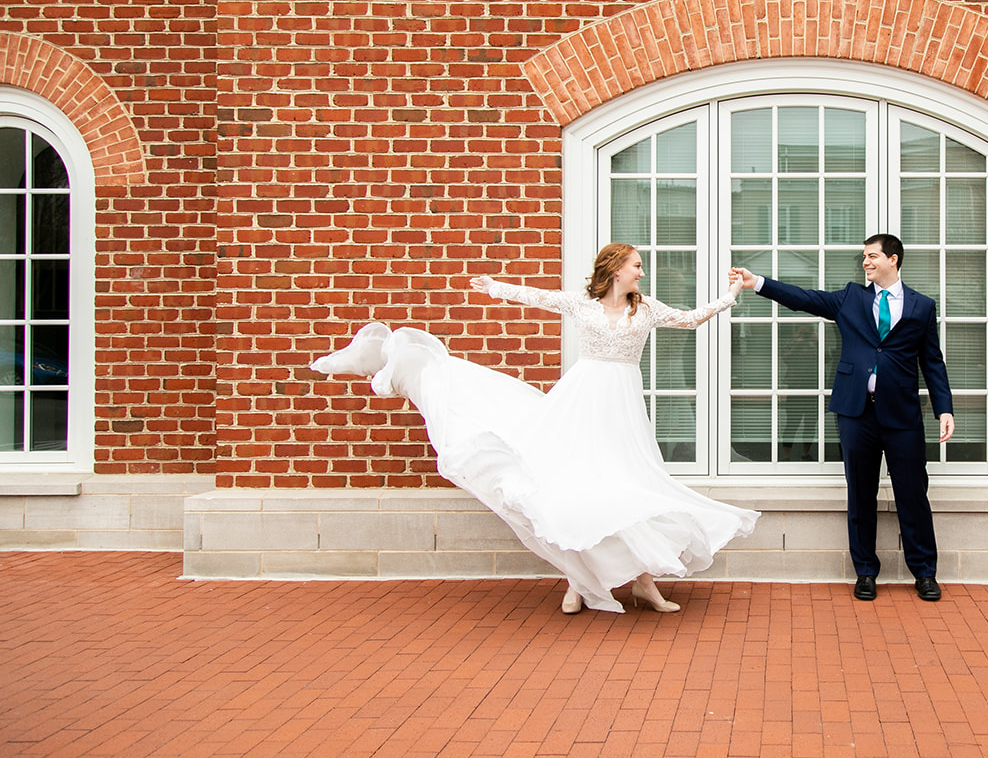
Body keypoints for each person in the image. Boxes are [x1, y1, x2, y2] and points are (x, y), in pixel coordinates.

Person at [312, 243, 758, 616]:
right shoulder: (581, 305)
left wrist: (731, 293)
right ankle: (578, 580)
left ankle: (643, 582)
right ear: (615, 269)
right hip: (581, 398)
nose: (642, 271)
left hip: (621, 402)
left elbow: (690, 319)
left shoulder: (646, 309)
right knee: (567, 484)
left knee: (625, 484)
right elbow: (538, 297)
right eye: (636, 265)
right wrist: (495, 288)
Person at [732, 233, 954, 602]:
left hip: (902, 416)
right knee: (861, 494)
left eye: (872, 256)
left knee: (913, 495)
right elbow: (806, 299)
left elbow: (932, 361)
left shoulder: (921, 306)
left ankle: (925, 573)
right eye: (864, 257)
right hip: (856, 413)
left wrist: (944, 408)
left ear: (893, 260)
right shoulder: (851, 298)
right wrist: (758, 283)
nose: (866, 262)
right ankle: (865, 571)